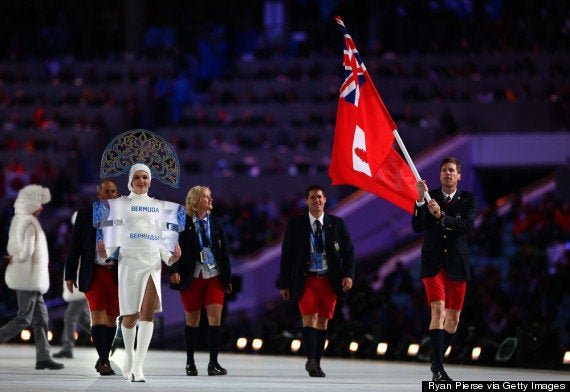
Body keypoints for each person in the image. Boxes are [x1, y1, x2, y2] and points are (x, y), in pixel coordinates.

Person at [97, 163, 181, 382]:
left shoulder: (159, 206)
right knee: (130, 316)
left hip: (152, 263)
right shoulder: (121, 204)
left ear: (150, 180)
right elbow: (114, 238)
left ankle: (138, 365)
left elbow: (162, 241)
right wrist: (106, 252)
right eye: (138, 178)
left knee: (147, 314)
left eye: (145, 177)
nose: (142, 181)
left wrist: (171, 258)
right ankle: (128, 357)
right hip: (129, 263)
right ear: (131, 181)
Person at [412, 157, 477, 382]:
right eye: (444, 171)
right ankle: (439, 370)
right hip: (433, 263)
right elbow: (417, 227)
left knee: (453, 320)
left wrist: (441, 216)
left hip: (458, 264)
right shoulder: (431, 198)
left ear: (459, 175)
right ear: (439, 176)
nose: (447, 174)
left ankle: (435, 361)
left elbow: (466, 226)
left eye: (451, 170)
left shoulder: (469, 199)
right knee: (437, 310)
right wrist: (420, 200)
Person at [279, 184, 355, 377]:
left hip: (330, 280)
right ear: (307, 201)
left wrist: (348, 275)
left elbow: (348, 252)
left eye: (319, 197)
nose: (317, 200)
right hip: (307, 280)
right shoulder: (296, 224)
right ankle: (311, 359)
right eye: (312, 197)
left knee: (323, 322)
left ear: (325, 199)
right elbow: (287, 255)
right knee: (309, 318)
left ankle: (317, 363)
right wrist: (285, 283)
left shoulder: (336, 224)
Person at [169, 185, 232, 376]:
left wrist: (227, 277)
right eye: (207, 197)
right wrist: (174, 269)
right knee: (192, 320)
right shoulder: (182, 221)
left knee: (215, 320)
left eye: (210, 197)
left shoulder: (217, 223)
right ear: (196, 202)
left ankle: (213, 363)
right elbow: (172, 246)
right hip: (192, 276)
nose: (211, 200)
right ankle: (190, 363)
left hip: (214, 276)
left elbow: (224, 252)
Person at [0, 184, 64, 370]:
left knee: (41, 319)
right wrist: (18, 257)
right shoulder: (28, 222)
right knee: (24, 319)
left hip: (31, 279)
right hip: (28, 278)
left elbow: (16, 247)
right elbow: (26, 252)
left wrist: (16, 256)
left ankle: (43, 357)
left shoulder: (21, 220)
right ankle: (43, 356)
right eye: (38, 203)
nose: (42, 207)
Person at [62, 178, 119, 375]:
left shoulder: (123, 216)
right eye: (107, 191)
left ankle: (103, 358)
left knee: (112, 319)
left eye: (114, 191)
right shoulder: (85, 215)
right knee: (97, 316)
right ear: (99, 194)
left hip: (116, 274)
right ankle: (104, 360)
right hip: (93, 272)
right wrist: (69, 275)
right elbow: (74, 247)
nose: (112, 195)